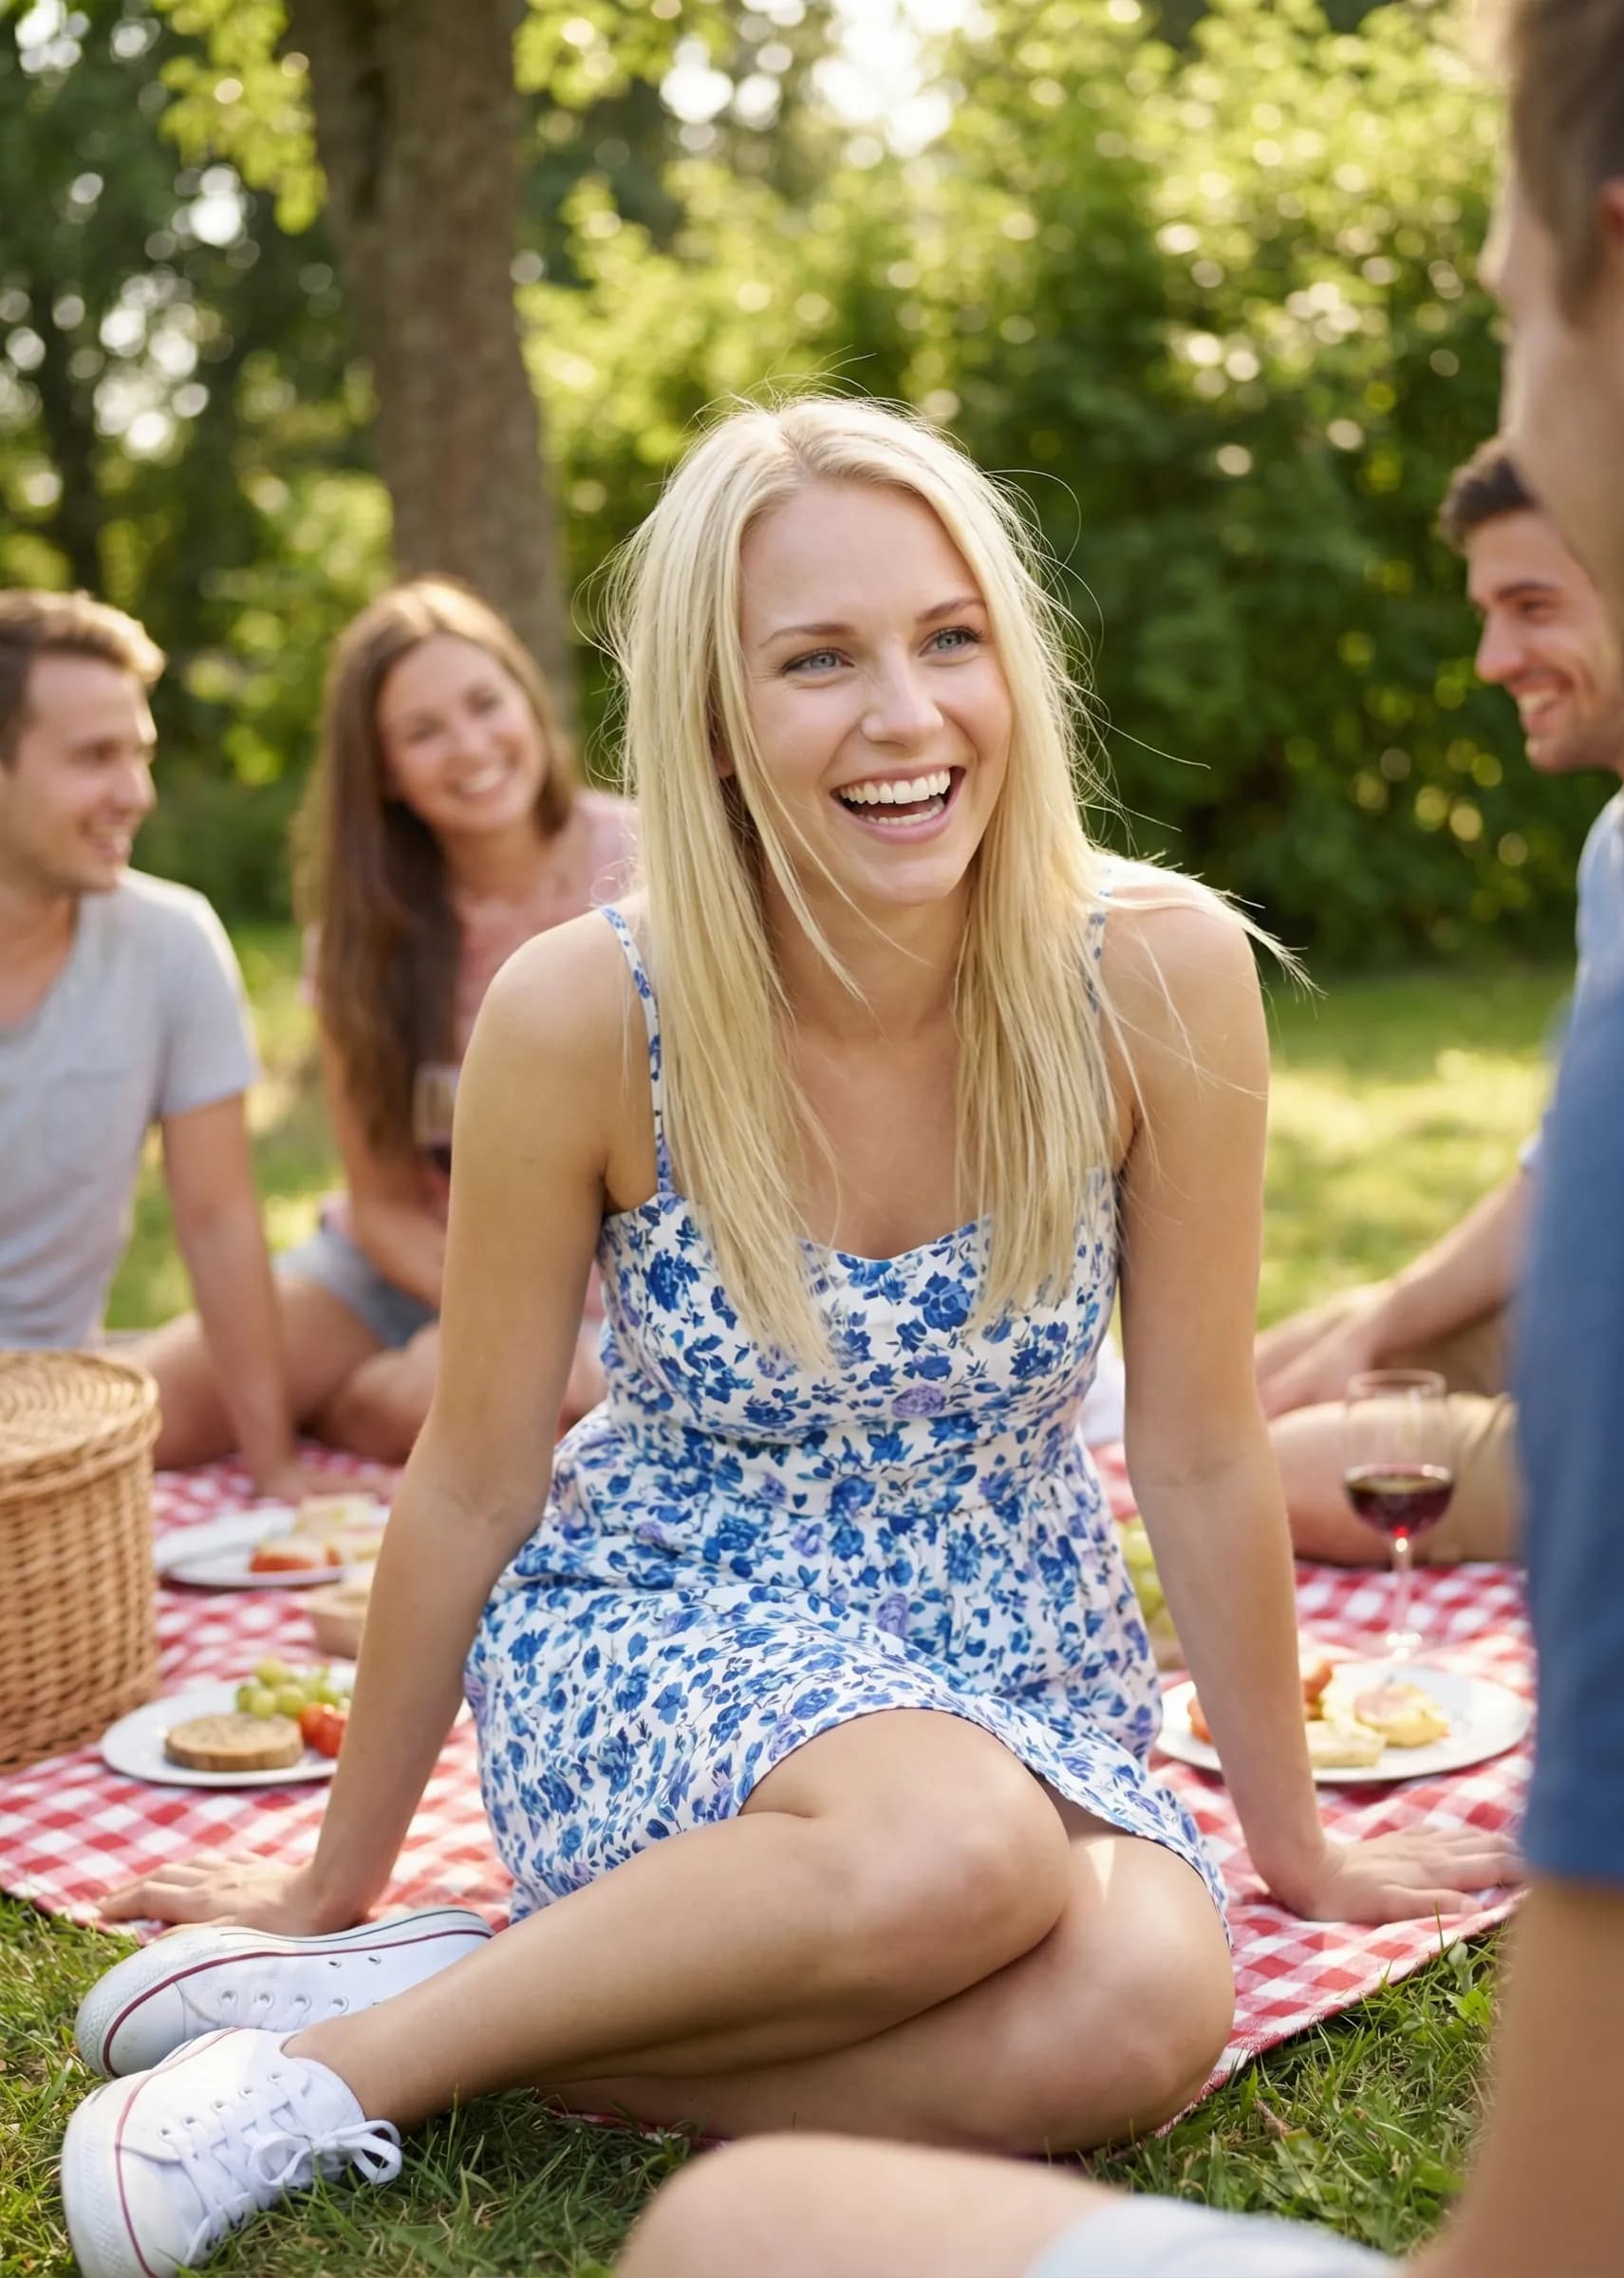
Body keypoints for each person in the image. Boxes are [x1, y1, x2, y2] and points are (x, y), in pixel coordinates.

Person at [55, 399, 1508, 2278]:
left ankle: (514, 2006)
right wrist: (322, 1865)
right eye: (815, 660)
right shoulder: (588, 1015)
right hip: (667, 1618)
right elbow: (478, 1469)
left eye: (946, 637)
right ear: (714, 714)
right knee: (964, 1849)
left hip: (1016, 1641)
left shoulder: (1156, 974)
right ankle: (332, 2069)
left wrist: (1292, 1846)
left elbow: (1204, 1444)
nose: (903, 719)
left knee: (1152, 2005)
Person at [607, 5, 1624, 2271]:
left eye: (1505, 309)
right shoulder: (599, 1008)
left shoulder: (1593, 1021)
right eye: (821, 658)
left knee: (760, 2220)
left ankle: (435, 2025)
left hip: (1025, 1735)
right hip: (760, 1691)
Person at [1257, 439, 1624, 1566]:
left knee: (1279, 1468)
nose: (1496, 658)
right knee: (1263, 1377)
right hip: (1619, 1329)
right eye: (1488, 612)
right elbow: (1567, 1168)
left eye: (1533, 607)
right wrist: (1384, 1315)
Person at [135, 578, 637, 1466]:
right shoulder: (362, 944)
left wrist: (553, 1335)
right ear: (385, 772)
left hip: (620, 1280)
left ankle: (360, 1408)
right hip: (411, 1269)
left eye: (487, 703)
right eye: (423, 732)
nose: (471, 745)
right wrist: (497, 1317)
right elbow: (381, 1208)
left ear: (530, 699)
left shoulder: (650, 866)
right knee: (138, 1419)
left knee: (507, 1409)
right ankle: (363, 1397)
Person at [0, 589, 304, 1497]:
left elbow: (219, 1223)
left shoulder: (172, 942)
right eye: (96, 758)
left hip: (53, 1440)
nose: (135, 794)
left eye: (140, 755)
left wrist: (276, 1474)